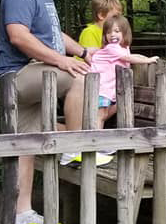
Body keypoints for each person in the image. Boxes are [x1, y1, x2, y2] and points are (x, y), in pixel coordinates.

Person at [0, 0, 90, 224]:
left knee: (26, 145)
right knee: (79, 77)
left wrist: (84, 52)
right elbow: (19, 36)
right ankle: (74, 146)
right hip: (22, 74)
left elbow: (54, 36)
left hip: (32, 75)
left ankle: (20, 213)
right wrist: (64, 62)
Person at [61, 15, 158, 164]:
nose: (112, 35)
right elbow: (129, 59)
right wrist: (147, 60)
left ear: (125, 33)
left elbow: (130, 55)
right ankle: (96, 146)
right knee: (99, 117)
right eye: (109, 32)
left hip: (105, 89)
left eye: (117, 31)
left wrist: (146, 58)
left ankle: (98, 144)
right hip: (100, 88)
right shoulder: (112, 49)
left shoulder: (122, 48)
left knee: (101, 115)